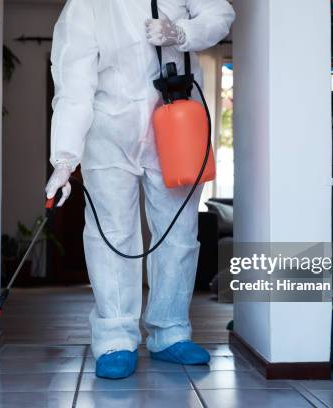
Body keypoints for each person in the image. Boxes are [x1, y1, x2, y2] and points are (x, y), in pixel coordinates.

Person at [45, 0, 235, 379]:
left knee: (178, 232)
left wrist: (182, 34)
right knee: (111, 232)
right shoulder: (86, 5)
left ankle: (170, 332)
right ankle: (115, 338)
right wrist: (64, 159)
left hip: (176, 120)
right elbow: (74, 79)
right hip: (109, 128)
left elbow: (222, 14)